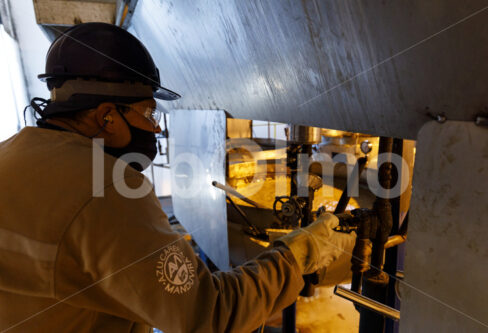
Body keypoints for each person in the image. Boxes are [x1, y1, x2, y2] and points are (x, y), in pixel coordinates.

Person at [0, 22, 355, 332]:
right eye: (147, 111)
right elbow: (210, 316)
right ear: (107, 116)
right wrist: (300, 253)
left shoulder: (10, 155)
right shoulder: (105, 186)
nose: (154, 127)